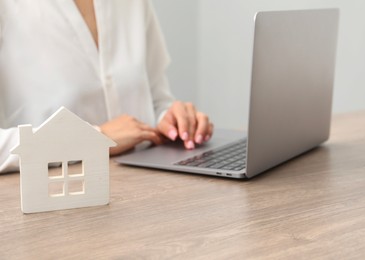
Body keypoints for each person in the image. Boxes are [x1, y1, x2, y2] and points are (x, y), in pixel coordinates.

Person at [0, 0, 213, 173]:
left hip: (148, 190)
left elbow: (156, 99)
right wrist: (95, 138)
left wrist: (172, 121)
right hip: (57, 202)